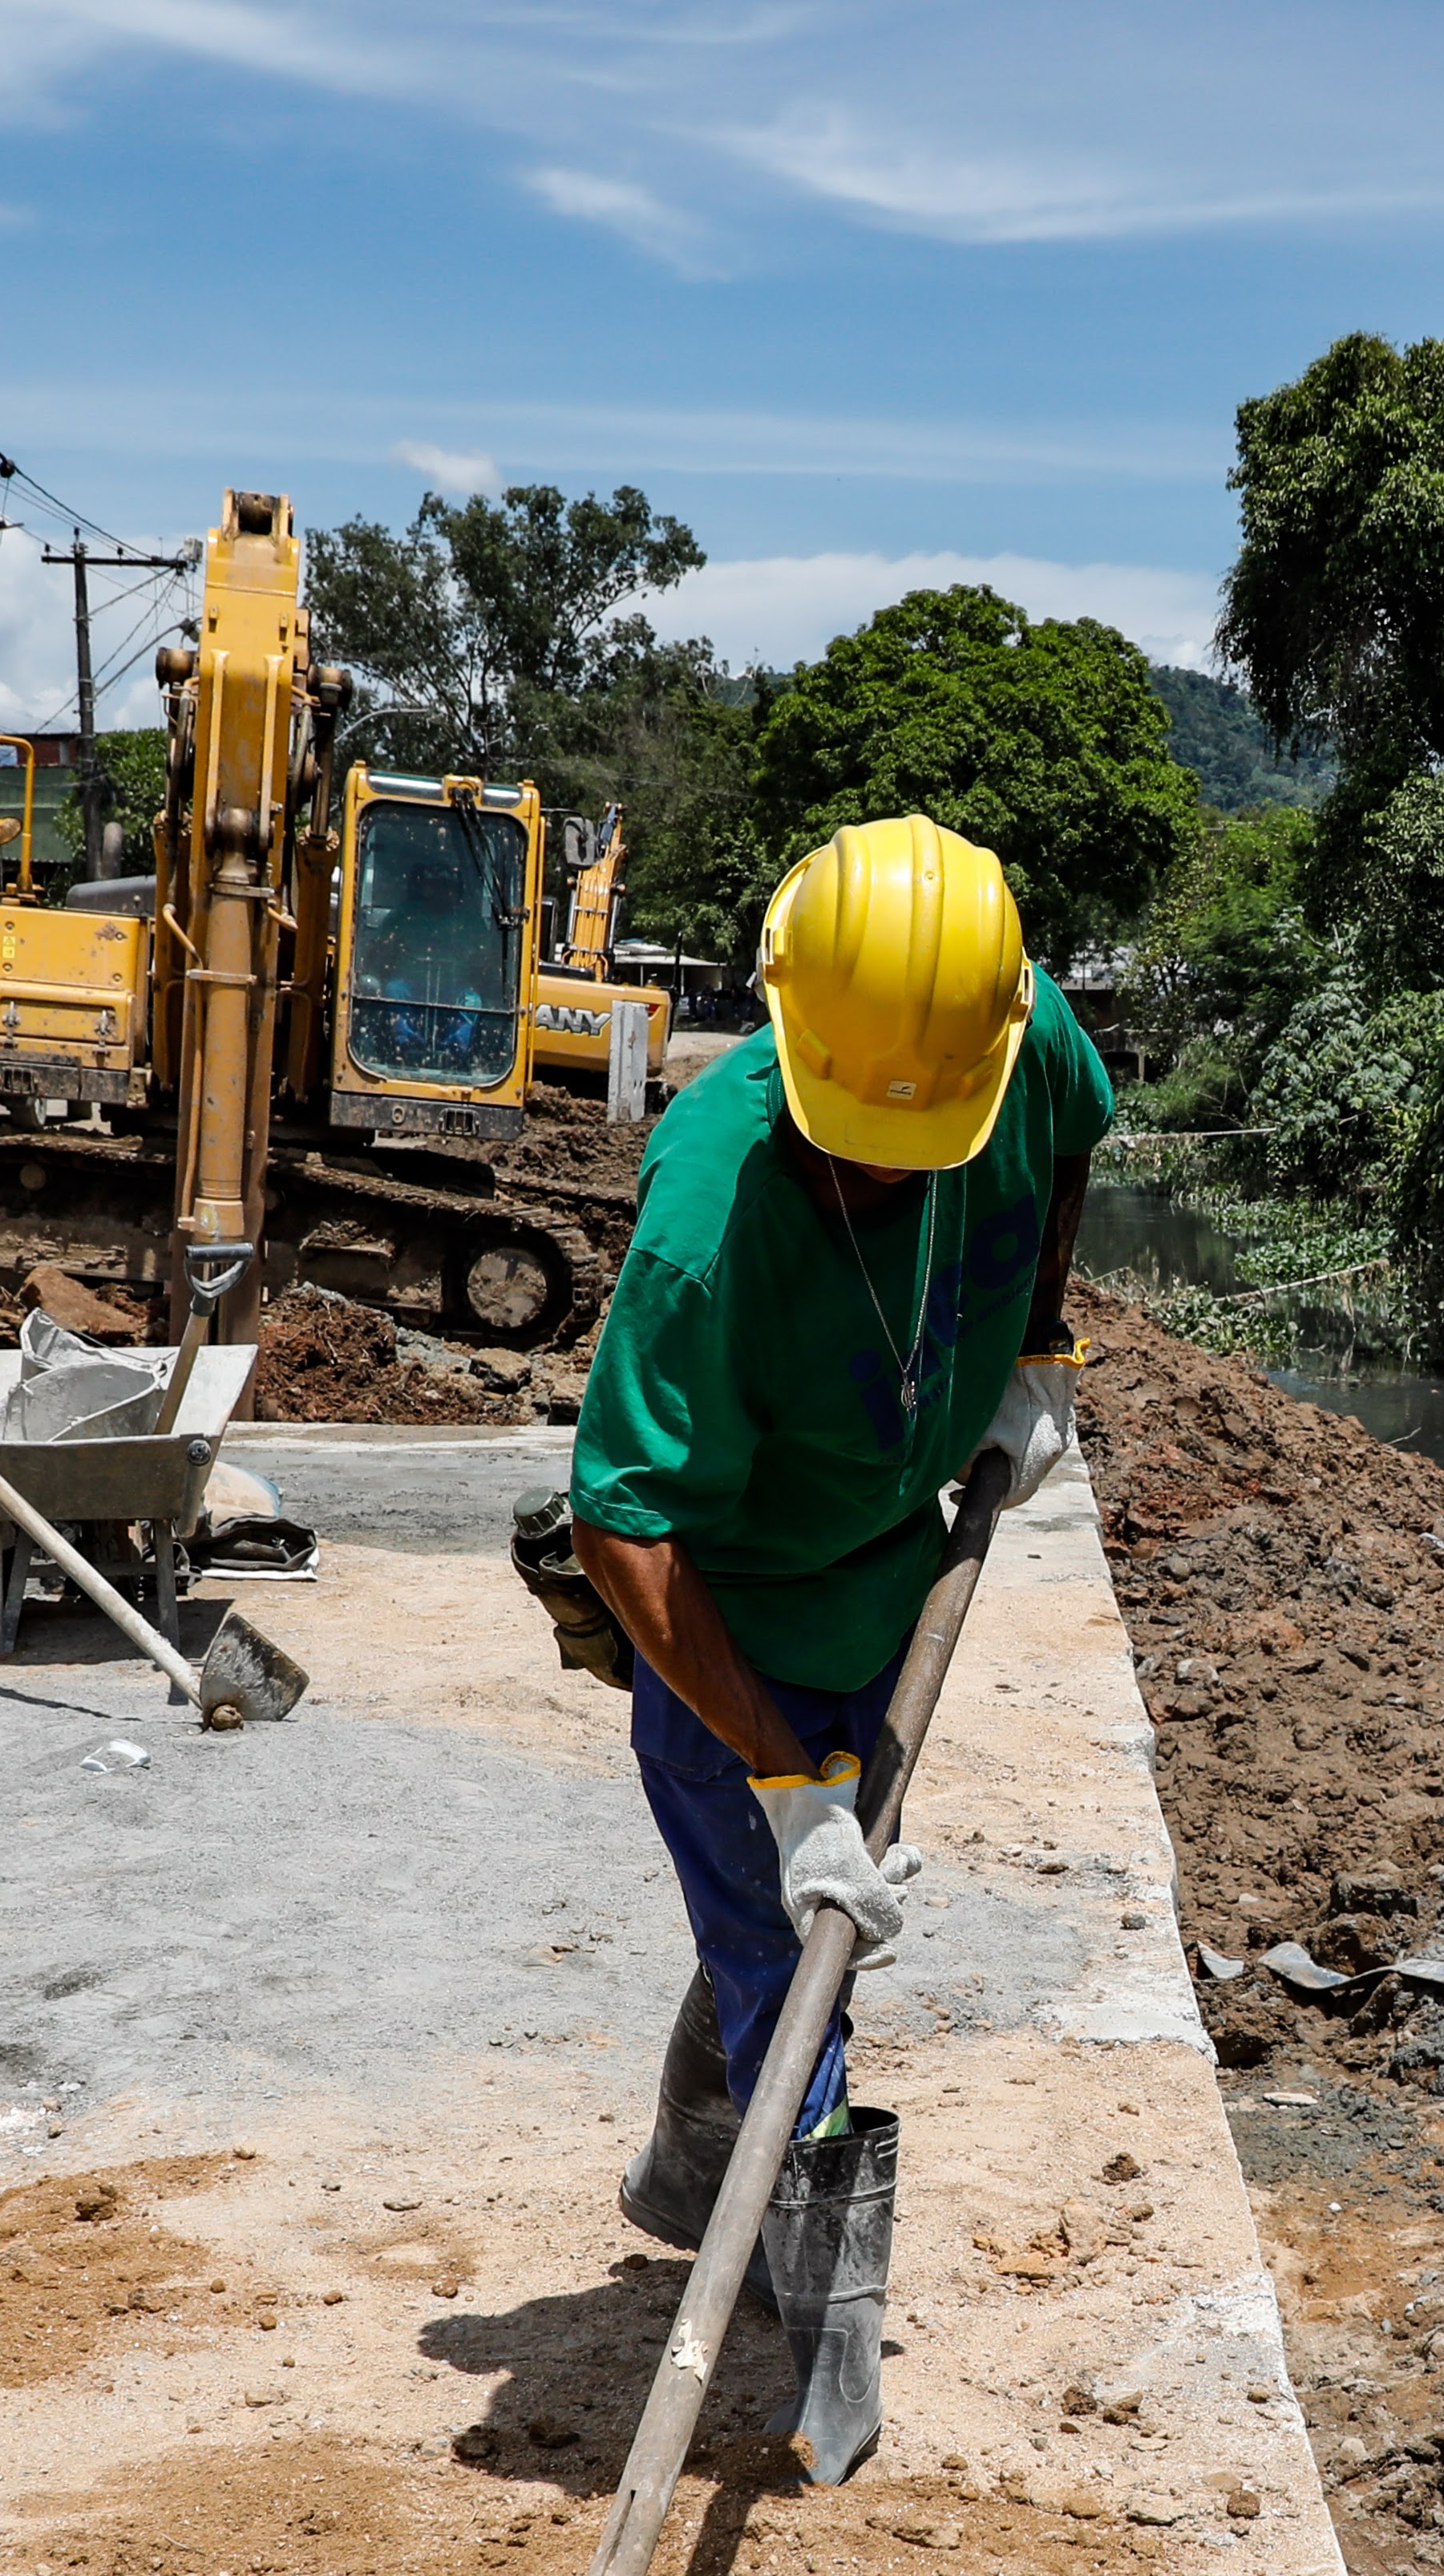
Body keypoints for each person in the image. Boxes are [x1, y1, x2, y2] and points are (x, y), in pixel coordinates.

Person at [566, 814, 1097, 2486]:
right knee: (797, 1951)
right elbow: (620, 1522)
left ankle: (681, 2163)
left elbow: (1072, 1135)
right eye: (857, 1135)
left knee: (771, 1939)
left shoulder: (1015, 1037)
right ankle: (832, 2369)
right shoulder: (709, 1214)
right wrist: (791, 1777)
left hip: (887, 1574)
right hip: (733, 1630)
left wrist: (1038, 1339)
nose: (887, 1165)